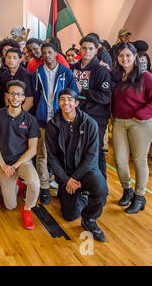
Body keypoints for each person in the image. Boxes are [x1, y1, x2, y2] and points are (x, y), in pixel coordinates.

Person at [46, 88, 108, 242]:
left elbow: (92, 156)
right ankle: (78, 193)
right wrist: (66, 181)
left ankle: (89, 219)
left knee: (101, 191)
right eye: (62, 99)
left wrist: (75, 178)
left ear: (76, 103)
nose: (66, 102)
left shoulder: (90, 123)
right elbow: (52, 158)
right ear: (58, 103)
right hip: (66, 175)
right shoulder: (52, 125)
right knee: (69, 216)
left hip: (87, 171)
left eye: (69, 99)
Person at [110, 42, 152, 213]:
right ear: (116, 58)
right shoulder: (115, 75)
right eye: (121, 55)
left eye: (128, 55)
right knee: (120, 160)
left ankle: (140, 196)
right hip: (119, 122)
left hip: (140, 123)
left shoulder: (145, 76)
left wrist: (140, 115)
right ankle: (127, 190)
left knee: (139, 160)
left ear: (135, 57)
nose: (124, 59)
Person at [32, 42, 79, 204]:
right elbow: (36, 96)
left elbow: (74, 93)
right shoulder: (38, 72)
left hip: (62, 120)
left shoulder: (66, 72)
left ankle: (62, 186)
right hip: (43, 120)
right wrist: (39, 112)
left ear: (56, 53)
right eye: (43, 53)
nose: (46, 55)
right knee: (42, 155)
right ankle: (44, 188)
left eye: (49, 52)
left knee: (63, 155)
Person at [0, 80, 41, 230]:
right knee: (10, 206)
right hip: (4, 163)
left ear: (23, 97)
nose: (15, 97)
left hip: (22, 162)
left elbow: (32, 150)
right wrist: (4, 165)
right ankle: (16, 183)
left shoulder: (30, 120)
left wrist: (15, 166)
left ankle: (27, 209)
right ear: (7, 96)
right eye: (12, 93)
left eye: (19, 94)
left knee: (34, 183)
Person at [72, 36, 112, 179]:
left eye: (90, 48)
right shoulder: (74, 68)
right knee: (77, 149)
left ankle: (100, 183)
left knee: (95, 150)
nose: (87, 51)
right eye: (84, 48)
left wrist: (83, 91)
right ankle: (81, 181)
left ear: (96, 50)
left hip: (96, 118)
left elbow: (105, 97)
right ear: (80, 49)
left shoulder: (101, 70)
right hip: (76, 115)